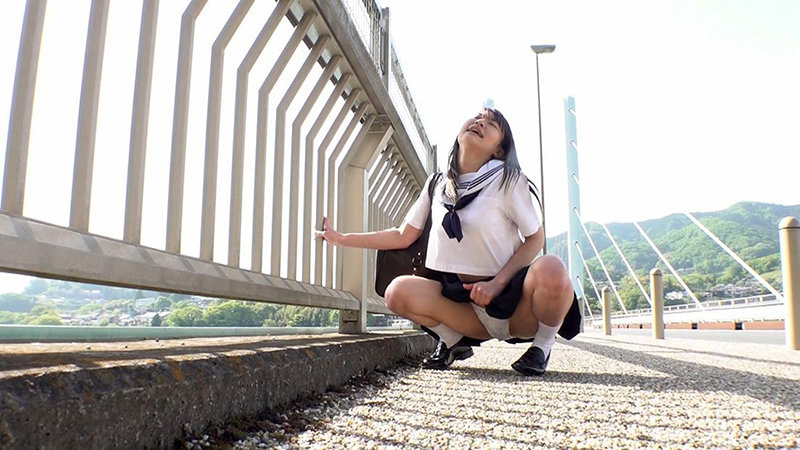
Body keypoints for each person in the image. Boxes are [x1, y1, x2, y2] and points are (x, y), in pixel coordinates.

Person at [315, 108, 581, 376]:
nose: (480, 122)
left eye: (491, 124)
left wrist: (496, 283)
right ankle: (454, 342)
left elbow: (536, 237)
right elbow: (403, 235)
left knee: (552, 267)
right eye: (477, 117)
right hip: (466, 307)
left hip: (515, 304)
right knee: (396, 291)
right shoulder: (438, 185)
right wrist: (342, 239)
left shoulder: (507, 180)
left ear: (499, 150)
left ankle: (542, 347)